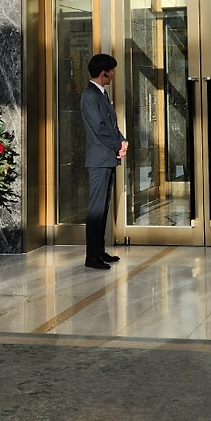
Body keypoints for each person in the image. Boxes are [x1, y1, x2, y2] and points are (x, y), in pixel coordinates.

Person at [81, 53, 127, 271]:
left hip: (106, 157)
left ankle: (99, 251)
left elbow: (111, 125)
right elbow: (99, 128)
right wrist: (117, 145)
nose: (113, 75)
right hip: (99, 159)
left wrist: (121, 140)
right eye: (111, 71)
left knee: (103, 207)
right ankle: (92, 256)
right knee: (96, 209)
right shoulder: (90, 96)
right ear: (103, 73)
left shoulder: (100, 94)